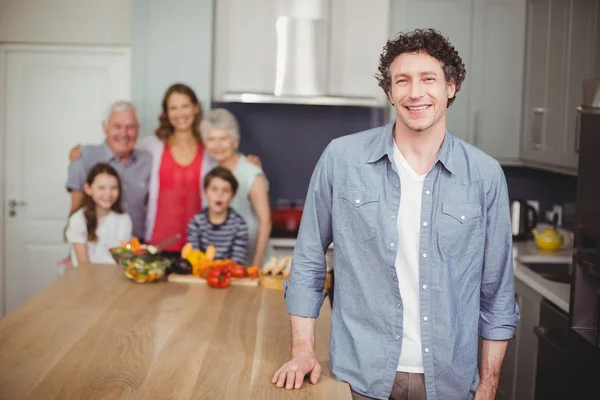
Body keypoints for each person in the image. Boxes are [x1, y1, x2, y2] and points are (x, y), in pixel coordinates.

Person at [272, 28, 520, 400]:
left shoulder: (484, 176)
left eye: (428, 79)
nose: (415, 92)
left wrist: (489, 382)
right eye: (402, 80)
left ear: (451, 87)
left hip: (451, 382)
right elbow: (309, 261)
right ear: (389, 92)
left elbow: (496, 290)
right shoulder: (342, 160)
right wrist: (303, 351)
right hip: (359, 378)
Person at [66, 101, 152, 240]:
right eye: (117, 126)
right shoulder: (84, 156)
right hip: (94, 247)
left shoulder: (147, 160)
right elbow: (75, 209)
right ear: (105, 128)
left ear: (138, 130)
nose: (124, 133)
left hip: (137, 247)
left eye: (130, 127)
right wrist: (75, 251)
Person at [200, 108, 274, 267]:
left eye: (223, 138)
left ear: (235, 141)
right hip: (223, 265)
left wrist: (256, 263)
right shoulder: (209, 172)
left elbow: (265, 220)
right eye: (211, 139)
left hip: (253, 262)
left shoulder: (251, 172)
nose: (217, 145)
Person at [65, 163, 132, 267]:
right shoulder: (78, 219)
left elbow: (123, 259)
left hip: (115, 277)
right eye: (101, 188)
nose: (108, 194)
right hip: (87, 278)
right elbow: (84, 265)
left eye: (114, 188)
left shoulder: (124, 220)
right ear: (88, 189)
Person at [187, 167, 248, 265]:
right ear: (204, 193)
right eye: (214, 189)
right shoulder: (196, 222)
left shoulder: (239, 224)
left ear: (233, 196)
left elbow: (237, 261)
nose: (219, 195)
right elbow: (194, 257)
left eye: (226, 190)